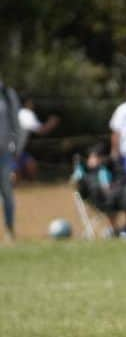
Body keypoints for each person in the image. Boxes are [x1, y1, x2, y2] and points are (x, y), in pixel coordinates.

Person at [72, 144, 126, 238]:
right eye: (93, 157)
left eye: (98, 157)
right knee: (111, 198)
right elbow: (77, 184)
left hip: (116, 194)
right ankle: (114, 229)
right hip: (99, 198)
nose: (95, 159)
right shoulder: (83, 171)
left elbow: (118, 179)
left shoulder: (108, 166)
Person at [0, 78, 24, 242]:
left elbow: (17, 125)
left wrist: (16, 150)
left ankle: (9, 230)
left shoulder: (7, 95)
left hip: (4, 153)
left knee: (7, 192)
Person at [16, 94, 60, 182]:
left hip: (16, 150)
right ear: (27, 103)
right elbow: (41, 130)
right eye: (32, 102)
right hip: (11, 151)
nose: (34, 104)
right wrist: (52, 122)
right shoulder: (25, 113)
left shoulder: (14, 112)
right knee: (14, 176)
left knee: (31, 165)